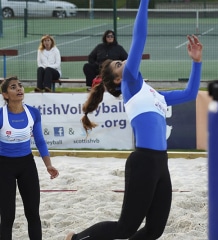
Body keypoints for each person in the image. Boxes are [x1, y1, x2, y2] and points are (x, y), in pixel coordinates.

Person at [66, 0, 203, 239]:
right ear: (118, 79)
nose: (126, 62)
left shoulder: (154, 94)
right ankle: (75, 238)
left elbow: (190, 94)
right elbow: (140, 37)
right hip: (143, 162)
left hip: (161, 163)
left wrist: (196, 62)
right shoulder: (130, 82)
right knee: (125, 228)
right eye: (120, 64)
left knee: (155, 230)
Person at [0, 76, 59, 239]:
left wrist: (48, 165)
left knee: (33, 213)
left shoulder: (32, 112)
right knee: (7, 217)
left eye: (20, 86)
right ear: (5, 94)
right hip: (4, 167)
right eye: (13, 87)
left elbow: (39, 140)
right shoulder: (1, 115)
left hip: (27, 164)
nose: (19, 89)